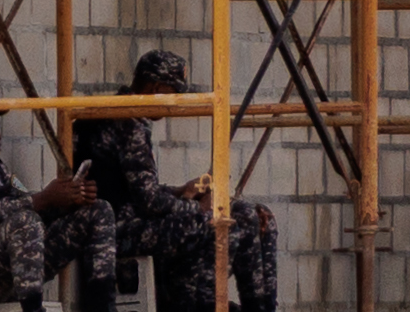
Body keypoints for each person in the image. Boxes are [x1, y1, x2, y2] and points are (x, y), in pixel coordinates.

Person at [72, 48, 277, 311]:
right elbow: (148, 203)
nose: (174, 104)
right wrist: (196, 207)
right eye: (174, 93)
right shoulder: (129, 122)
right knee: (219, 222)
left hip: (125, 219)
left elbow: (132, 187)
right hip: (116, 229)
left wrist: (181, 191)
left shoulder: (119, 112)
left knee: (249, 213)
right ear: (156, 87)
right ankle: (205, 305)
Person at [0, 107, 117, 312]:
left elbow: (25, 199)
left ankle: (103, 307)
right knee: (24, 220)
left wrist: (66, 201)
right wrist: (42, 199)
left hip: (14, 268)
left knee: (98, 209)